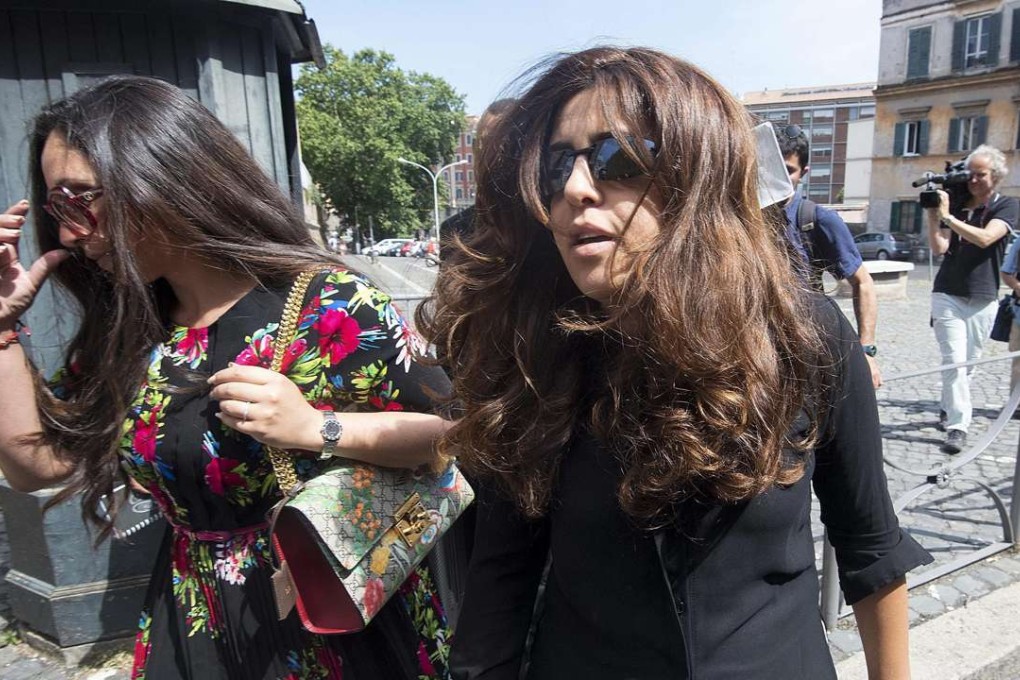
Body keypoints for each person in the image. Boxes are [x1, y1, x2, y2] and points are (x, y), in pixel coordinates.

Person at [418, 47, 931, 680]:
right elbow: (502, 572)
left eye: (618, 158)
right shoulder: (534, 352)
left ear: (697, 181)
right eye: (557, 166)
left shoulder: (803, 335)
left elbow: (870, 545)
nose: (577, 188)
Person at [0, 76, 454, 680]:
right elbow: (41, 465)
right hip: (194, 619)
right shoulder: (131, 327)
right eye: (56, 207)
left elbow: (448, 437)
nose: (66, 233)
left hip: (334, 616)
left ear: (159, 173)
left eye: (79, 199)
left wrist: (315, 427)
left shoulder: (330, 304)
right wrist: (2, 332)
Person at [771, 122, 882, 388]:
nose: (779, 178)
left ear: (804, 172)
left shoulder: (817, 219)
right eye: (773, 169)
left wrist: (866, 351)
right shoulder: (739, 216)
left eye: (788, 171)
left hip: (803, 346)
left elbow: (863, 283)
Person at [927, 144, 1018, 453]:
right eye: (970, 174)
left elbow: (985, 238)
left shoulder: (1006, 206)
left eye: (980, 175)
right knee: (954, 359)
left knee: (967, 364)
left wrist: (948, 217)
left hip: (983, 294)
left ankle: (948, 406)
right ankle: (957, 426)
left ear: (996, 175)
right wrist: (933, 216)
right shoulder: (958, 204)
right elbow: (940, 248)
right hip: (947, 292)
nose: (974, 180)